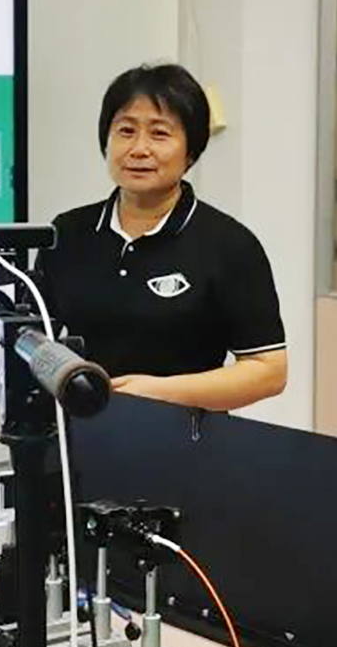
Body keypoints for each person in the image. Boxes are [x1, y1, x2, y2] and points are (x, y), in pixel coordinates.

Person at [36, 64, 287, 412]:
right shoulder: (67, 233)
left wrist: (161, 393)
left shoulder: (229, 244)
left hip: (188, 437)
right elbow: (33, 342)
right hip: (80, 435)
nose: (139, 149)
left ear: (191, 151)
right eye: (126, 131)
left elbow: (268, 371)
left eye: (159, 134)